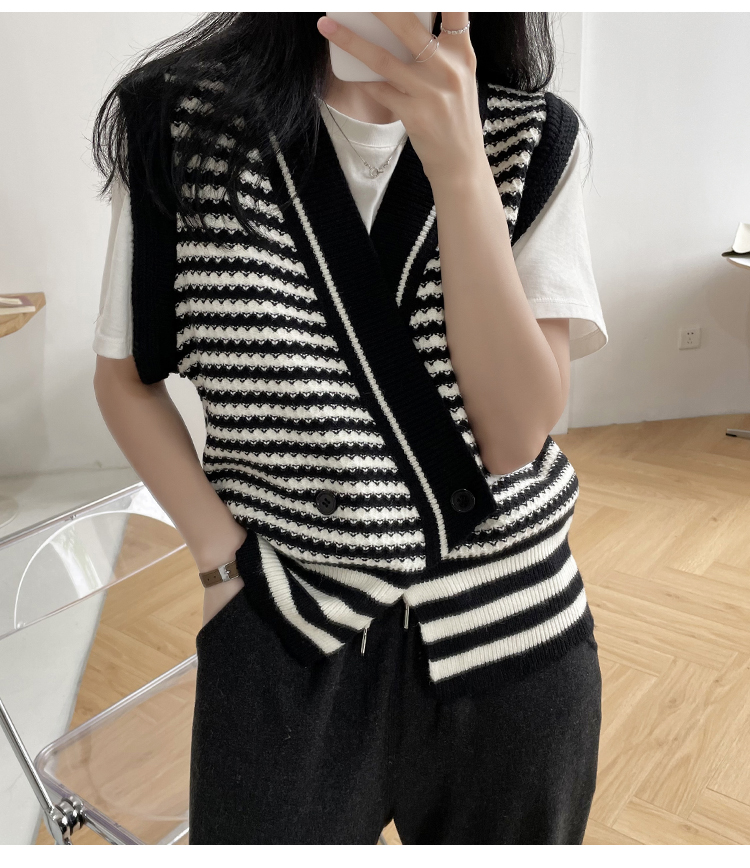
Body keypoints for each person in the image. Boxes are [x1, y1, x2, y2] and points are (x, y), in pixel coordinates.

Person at [91, 12, 608, 845]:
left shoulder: (534, 138)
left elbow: (514, 438)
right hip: (287, 627)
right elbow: (124, 378)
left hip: (509, 629)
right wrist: (222, 566)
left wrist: (460, 166)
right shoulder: (179, 126)